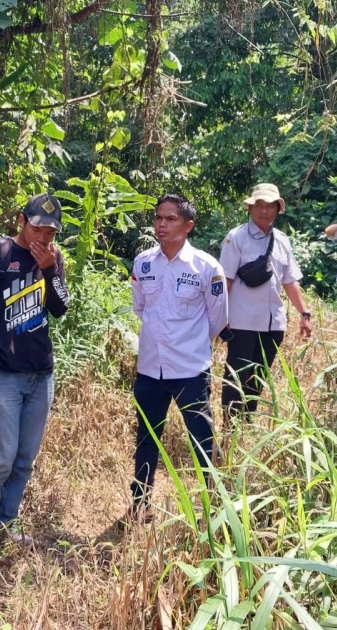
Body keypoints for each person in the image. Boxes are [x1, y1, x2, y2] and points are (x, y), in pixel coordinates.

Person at [0, 193, 71, 559]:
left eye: (51, 233)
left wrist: (49, 269)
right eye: (38, 229)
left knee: (24, 458)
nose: (44, 238)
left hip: (41, 374)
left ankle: (4, 524)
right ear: (22, 222)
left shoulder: (53, 259)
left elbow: (60, 307)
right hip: (4, 371)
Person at [128, 194, 228, 521]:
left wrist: (192, 343)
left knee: (201, 438)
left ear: (188, 226)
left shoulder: (206, 267)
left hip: (190, 370)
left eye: (170, 219)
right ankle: (140, 504)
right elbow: (140, 308)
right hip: (150, 370)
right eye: (158, 218)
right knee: (147, 439)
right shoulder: (143, 263)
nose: (161, 224)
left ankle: (209, 510)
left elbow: (218, 318)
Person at [218, 183, 312, 421]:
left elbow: (290, 281)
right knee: (236, 377)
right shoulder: (236, 237)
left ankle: (247, 423)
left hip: (273, 325)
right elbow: (225, 280)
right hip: (242, 322)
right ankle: (231, 427)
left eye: (270, 205)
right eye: (259, 205)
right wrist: (221, 316)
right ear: (250, 208)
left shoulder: (282, 240)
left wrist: (305, 313)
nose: (264, 211)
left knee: (258, 377)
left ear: (278, 209)